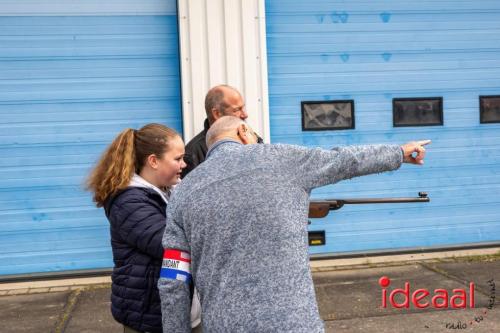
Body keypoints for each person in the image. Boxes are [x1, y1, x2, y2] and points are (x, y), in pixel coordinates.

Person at [158, 116, 431, 332]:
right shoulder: (281, 158)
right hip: (293, 322)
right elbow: (344, 160)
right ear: (243, 132)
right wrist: (398, 152)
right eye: (255, 135)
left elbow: (173, 280)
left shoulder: (183, 192)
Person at [86, 123, 195, 333]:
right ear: (153, 161)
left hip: (170, 310)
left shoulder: (168, 191)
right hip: (148, 315)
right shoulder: (128, 202)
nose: (184, 164)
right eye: (177, 159)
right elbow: (168, 243)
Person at [181, 84, 263, 178]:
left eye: (243, 108)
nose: (245, 114)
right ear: (217, 113)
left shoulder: (253, 138)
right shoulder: (193, 153)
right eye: (237, 110)